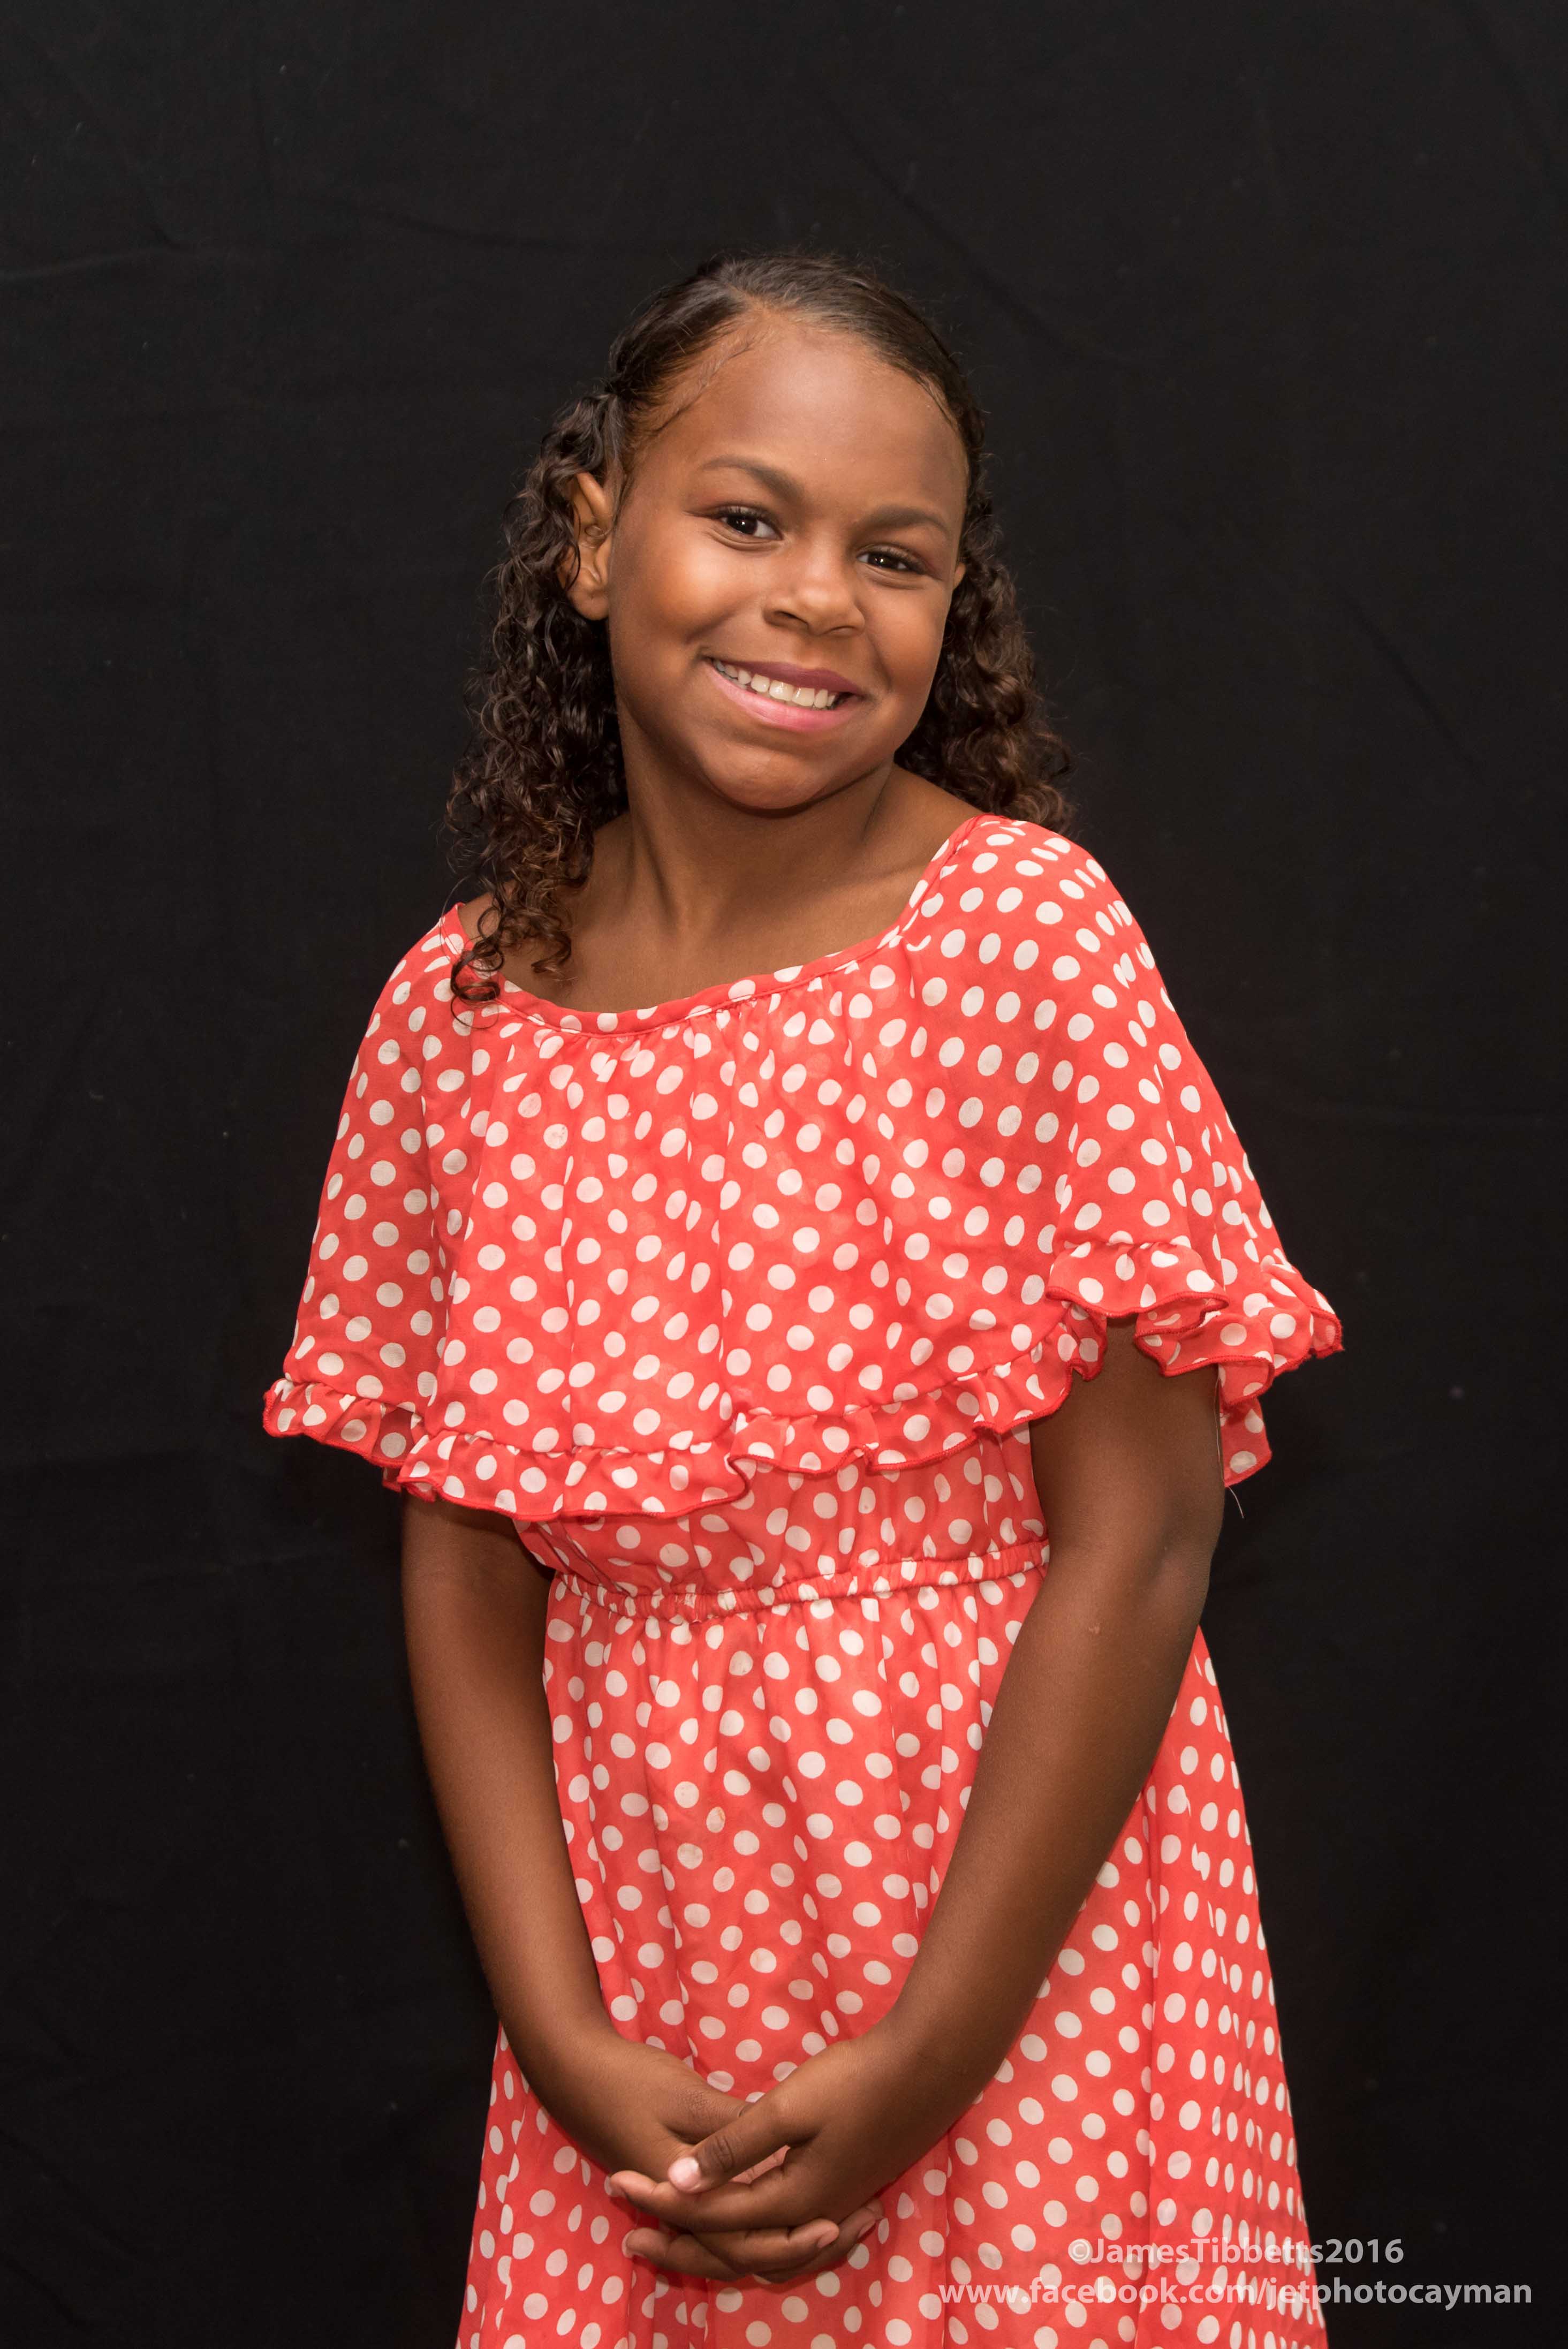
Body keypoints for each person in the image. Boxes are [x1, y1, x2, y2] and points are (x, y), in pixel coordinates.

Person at [264, 251, 1340, 2349]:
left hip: (1016, 1950)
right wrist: (561, 2031)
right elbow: (463, 1566)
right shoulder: (456, 1013)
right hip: (643, 1963)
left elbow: (1140, 1538)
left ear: (956, 609)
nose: (818, 598)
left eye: (893, 554)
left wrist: (930, 2055)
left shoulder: (1017, 941)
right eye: (748, 517)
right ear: (592, 540)